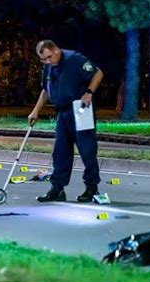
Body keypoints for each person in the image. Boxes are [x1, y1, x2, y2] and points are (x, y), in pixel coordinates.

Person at [28, 40, 104, 203]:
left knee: (87, 149)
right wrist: (36, 111)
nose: (47, 62)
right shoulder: (49, 66)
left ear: (56, 50)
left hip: (80, 107)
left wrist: (89, 92)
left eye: (48, 57)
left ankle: (91, 187)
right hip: (62, 111)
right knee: (60, 151)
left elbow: (98, 73)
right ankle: (57, 188)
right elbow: (46, 89)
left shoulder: (74, 59)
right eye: (43, 59)